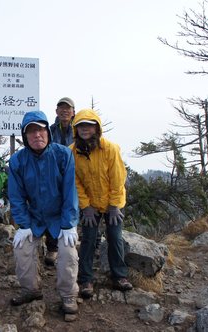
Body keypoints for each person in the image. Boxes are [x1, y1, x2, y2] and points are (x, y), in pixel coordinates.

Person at [8, 110, 80, 315]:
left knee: (67, 251)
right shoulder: (17, 161)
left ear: (47, 132)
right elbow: (16, 196)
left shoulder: (62, 154)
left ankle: (68, 296)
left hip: (60, 216)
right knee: (22, 248)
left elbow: (70, 192)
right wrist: (24, 224)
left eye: (40, 130)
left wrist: (69, 223)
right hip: (35, 216)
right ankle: (30, 289)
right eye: (31, 132)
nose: (36, 135)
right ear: (25, 136)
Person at [69, 108, 133, 299]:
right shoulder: (73, 152)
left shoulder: (110, 148)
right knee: (88, 239)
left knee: (115, 236)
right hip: (91, 204)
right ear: (75, 129)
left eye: (89, 125)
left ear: (97, 128)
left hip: (113, 202)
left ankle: (119, 276)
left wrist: (114, 206)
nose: (84, 129)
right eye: (80, 125)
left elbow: (118, 178)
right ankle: (86, 279)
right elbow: (75, 181)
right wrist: (86, 207)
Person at [43, 97, 76, 266]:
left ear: (73, 112)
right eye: (61, 108)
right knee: (52, 208)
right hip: (54, 175)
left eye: (68, 108)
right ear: (56, 112)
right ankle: (52, 248)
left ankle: (77, 246)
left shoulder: (79, 129)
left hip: (76, 174)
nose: (64, 111)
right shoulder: (50, 130)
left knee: (78, 209)